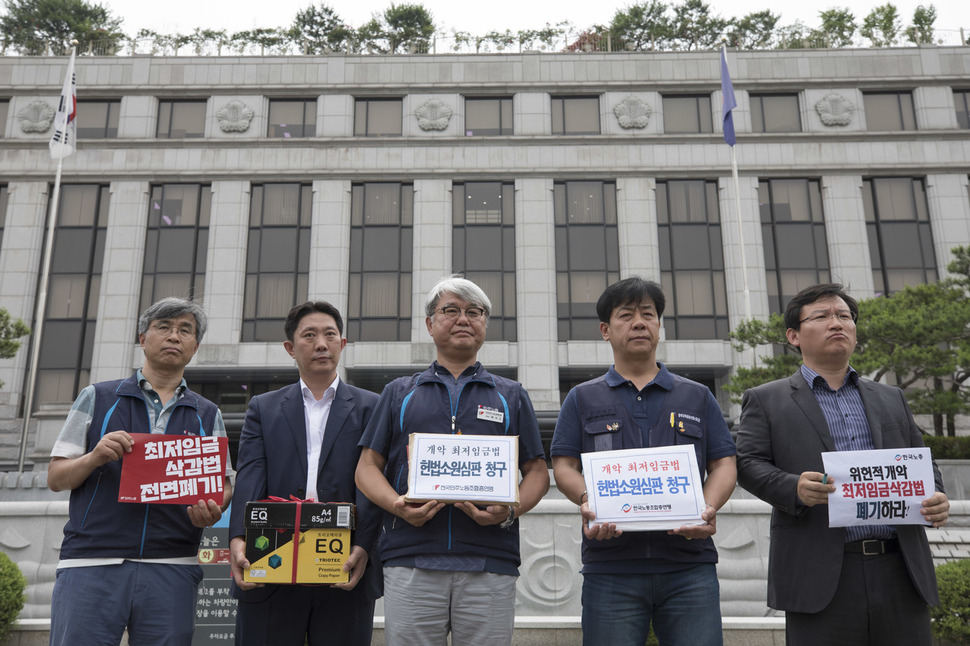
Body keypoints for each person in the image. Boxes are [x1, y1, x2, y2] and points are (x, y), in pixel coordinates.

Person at [735, 283, 950, 646]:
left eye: (844, 316)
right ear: (793, 335)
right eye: (821, 316)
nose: (836, 323)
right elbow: (746, 463)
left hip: (900, 568)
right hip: (818, 572)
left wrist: (937, 496)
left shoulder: (891, 397)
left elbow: (920, 461)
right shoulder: (766, 399)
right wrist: (793, 488)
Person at [355, 275, 550, 646]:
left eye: (474, 312)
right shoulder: (399, 392)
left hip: (490, 559)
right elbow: (367, 467)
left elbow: (537, 470)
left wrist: (509, 511)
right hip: (410, 557)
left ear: (485, 326)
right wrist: (397, 507)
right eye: (451, 310)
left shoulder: (511, 394)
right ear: (430, 324)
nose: (464, 319)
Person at [551, 277, 737, 646]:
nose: (639, 323)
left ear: (659, 325)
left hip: (689, 566)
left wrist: (708, 505)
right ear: (605, 330)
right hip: (611, 567)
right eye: (626, 315)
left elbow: (723, 463)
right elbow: (564, 465)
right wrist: (589, 501)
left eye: (648, 314)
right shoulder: (582, 398)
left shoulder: (697, 396)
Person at [47, 297, 232, 646]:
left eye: (185, 330)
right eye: (163, 327)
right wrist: (94, 457)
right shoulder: (97, 397)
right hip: (91, 563)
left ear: (195, 346)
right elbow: (56, 478)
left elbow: (222, 485)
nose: (174, 336)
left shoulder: (207, 413)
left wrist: (212, 508)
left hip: (173, 564)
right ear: (142, 338)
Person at [228, 301, 380, 646]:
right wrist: (238, 538)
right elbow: (249, 477)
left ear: (343, 343)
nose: (321, 344)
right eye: (309, 336)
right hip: (271, 557)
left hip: (343, 563)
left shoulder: (373, 406)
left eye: (330, 335)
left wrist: (364, 547)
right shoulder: (263, 408)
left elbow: (375, 484)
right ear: (290, 348)